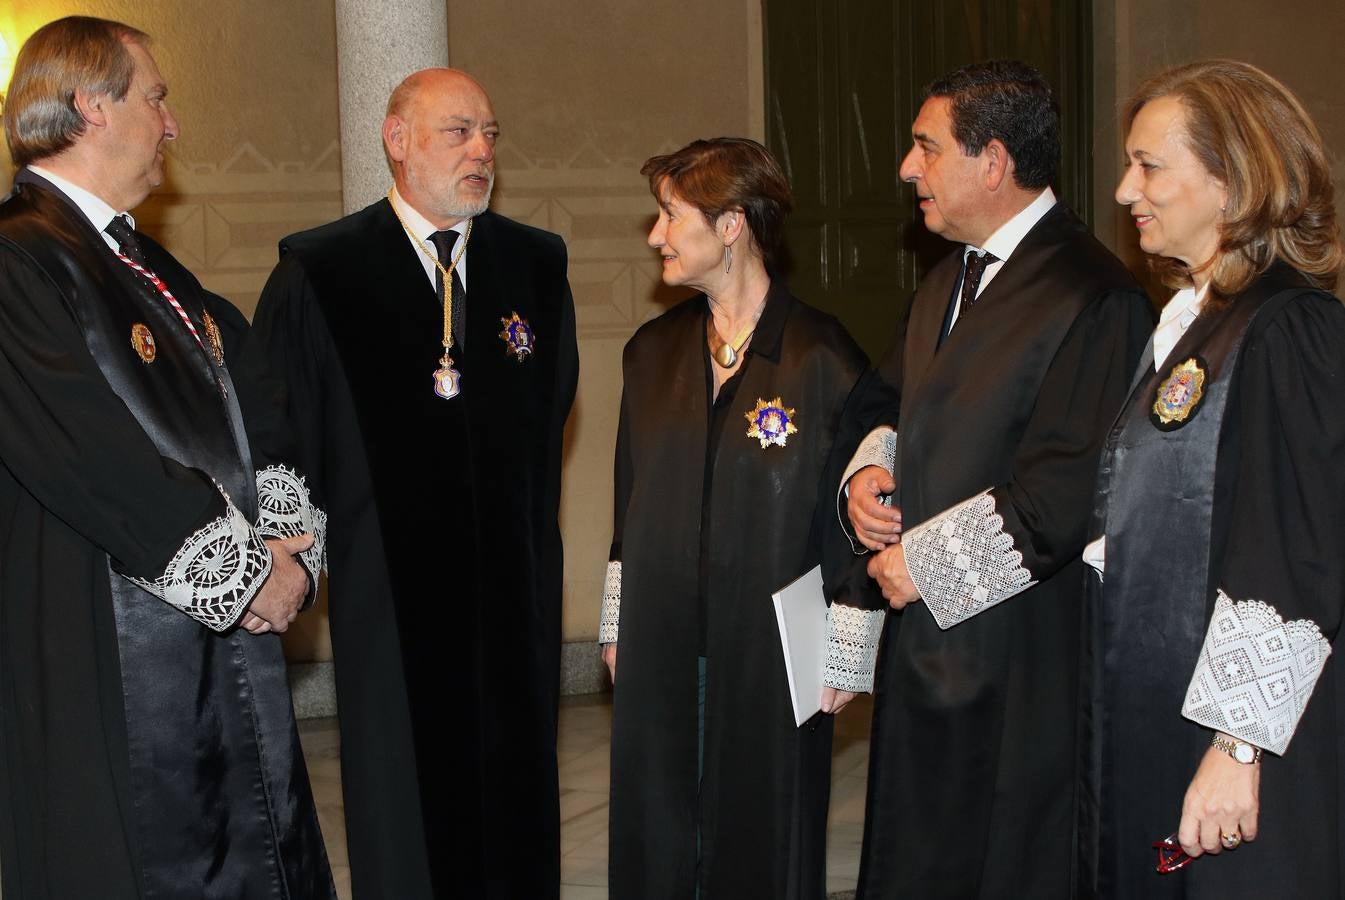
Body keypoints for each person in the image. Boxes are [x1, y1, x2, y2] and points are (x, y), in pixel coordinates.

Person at [0, 16, 334, 898]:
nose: (172, 123)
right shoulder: (17, 259)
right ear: (90, 107)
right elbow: (83, 447)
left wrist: (288, 548)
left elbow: (257, 404)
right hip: (96, 636)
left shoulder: (157, 273)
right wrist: (241, 569)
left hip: (220, 642)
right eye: (156, 97)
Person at [246, 67, 578, 898]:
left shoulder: (534, 267)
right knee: (406, 806)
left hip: (513, 593)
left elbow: (552, 412)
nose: (481, 152)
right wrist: (290, 559)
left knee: (515, 795)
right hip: (388, 599)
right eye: (456, 132)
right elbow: (280, 443)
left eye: (490, 134)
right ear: (395, 141)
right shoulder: (320, 273)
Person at [828, 61, 1154, 898]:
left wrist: (920, 565)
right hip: (927, 654)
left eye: (925, 147)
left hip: (1021, 664)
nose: (907, 168)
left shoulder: (1094, 295)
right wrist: (870, 471)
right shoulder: (946, 277)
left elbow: (1068, 488)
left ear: (993, 161)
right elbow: (888, 399)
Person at [1079, 59, 1345, 896]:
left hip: (1252, 745)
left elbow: (1295, 551)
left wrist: (1237, 750)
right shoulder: (1200, 320)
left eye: (1148, 165)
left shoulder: (1289, 327)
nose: (1125, 190)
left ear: (1232, 181)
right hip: (1163, 704)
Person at [599, 138, 872, 899]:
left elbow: (857, 516)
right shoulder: (649, 354)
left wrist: (847, 642)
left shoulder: (825, 358)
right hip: (661, 641)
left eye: (669, 216)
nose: (656, 236)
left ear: (730, 226)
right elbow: (630, 498)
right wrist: (618, 623)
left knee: (760, 831)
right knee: (658, 827)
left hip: (771, 650)